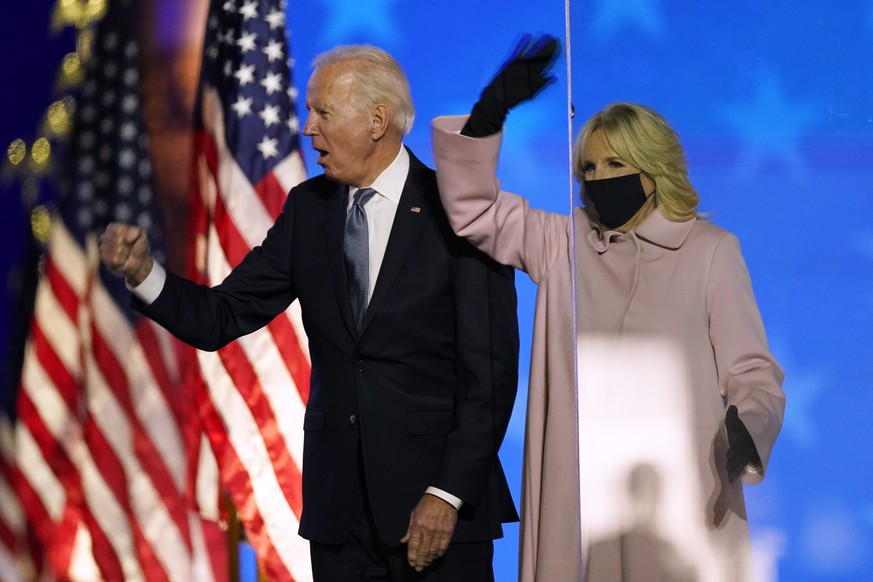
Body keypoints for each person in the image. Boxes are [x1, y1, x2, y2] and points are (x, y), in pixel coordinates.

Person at [100, 45, 520, 581]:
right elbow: (221, 317)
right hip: (340, 516)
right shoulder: (308, 209)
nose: (306, 128)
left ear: (377, 120)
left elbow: (491, 374)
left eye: (322, 112)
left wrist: (447, 492)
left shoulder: (459, 209)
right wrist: (143, 274)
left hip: (438, 510)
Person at [431, 34, 786, 581]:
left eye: (614, 164)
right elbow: (474, 211)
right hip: (580, 500)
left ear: (652, 168)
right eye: (588, 169)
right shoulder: (561, 243)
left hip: (680, 500)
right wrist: (488, 115)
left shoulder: (711, 251)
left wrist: (749, 428)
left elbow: (753, 373)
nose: (598, 180)